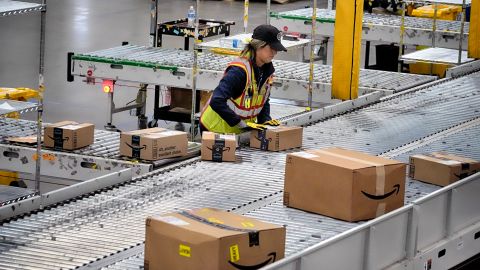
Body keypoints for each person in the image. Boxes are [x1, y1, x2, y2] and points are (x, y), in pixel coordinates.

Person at [199, 24, 287, 134]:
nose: (275, 53)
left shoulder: (267, 71)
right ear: (258, 46)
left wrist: (265, 121)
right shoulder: (239, 71)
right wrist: (241, 124)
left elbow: (263, 100)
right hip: (214, 129)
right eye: (272, 48)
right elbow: (216, 100)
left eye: (276, 49)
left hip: (238, 131)